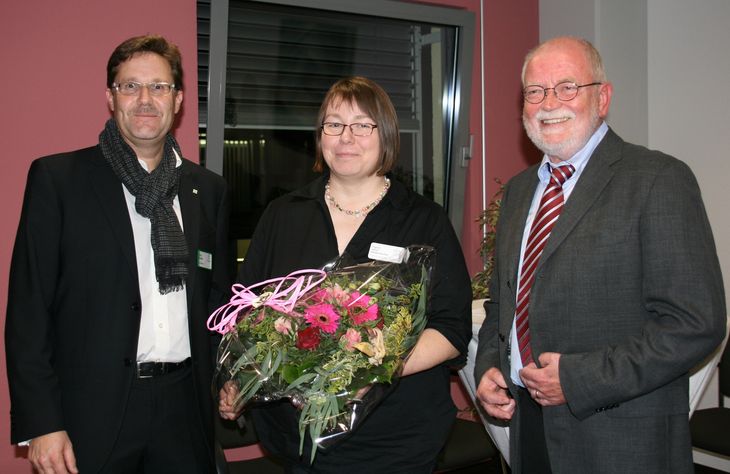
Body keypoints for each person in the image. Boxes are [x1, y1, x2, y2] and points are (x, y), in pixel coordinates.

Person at [473, 36, 727, 474]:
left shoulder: (658, 179)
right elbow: (503, 303)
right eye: (535, 91)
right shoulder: (517, 192)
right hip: (530, 431)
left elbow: (695, 324)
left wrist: (577, 379)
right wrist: (491, 366)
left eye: (567, 87)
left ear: (602, 97)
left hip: (620, 437)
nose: (549, 103)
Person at [218, 76, 472, 473]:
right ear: (320, 137)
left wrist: (371, 368)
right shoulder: (284, 214)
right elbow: (249, 315)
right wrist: (240, 377)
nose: (345, 137)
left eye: (361, 125)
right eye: (333, 124)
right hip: (298, 443)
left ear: (384, 134)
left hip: (396, 441)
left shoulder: (424, 220)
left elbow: (452, 328)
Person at [5, 35, 231, 473]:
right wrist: (42, 423)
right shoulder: (59, 180)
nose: (145, 99)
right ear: (110, 97)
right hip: (91, 414)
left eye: (159, 87)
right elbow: (28, 311)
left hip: (184, 408)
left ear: (179, 99)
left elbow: (217, 303)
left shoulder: (208, 190)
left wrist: (231, 377)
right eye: (130, 86)